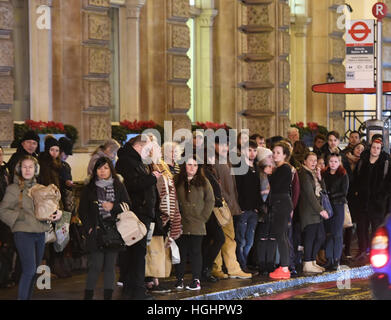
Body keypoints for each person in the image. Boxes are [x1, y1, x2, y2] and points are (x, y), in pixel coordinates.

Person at [0, 156, 62, 300]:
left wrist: (56, 214)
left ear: (36, 170)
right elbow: (3, 211)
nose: (27, 170)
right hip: (23, 233)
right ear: (19, 169)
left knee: (34, 272)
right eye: (24, 167)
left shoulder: (39, 188)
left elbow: (50, 208)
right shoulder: (13, 189)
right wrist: (20, 218)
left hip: (40, 233)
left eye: (30, 167)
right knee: (28, 271)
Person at [79, 157, 131, 300]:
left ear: (111, 170)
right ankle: (88, 296)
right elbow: (82, 211)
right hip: (96, 231)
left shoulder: (118, 185)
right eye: (100, 168)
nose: (102, 171)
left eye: (106, 168)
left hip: (113, 230)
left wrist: (113, 207)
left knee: (110, 266)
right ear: (95, 170)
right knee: (95, 265)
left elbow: (127, 205)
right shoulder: (89, 187)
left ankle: (108, 296)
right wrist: (89, 228)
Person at [115, 134, 161, 300]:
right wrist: (152, 178)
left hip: (142, 212)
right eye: (148, 148)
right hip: (136, 213)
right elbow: (131, 185)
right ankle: (137, 290)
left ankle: (133, 288)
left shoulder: (137, 161)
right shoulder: (128, 161)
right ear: (139, 147)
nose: (150, 152)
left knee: (135, 252)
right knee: (136, 252)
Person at [211, 136, 252, 280]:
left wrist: (234, 204)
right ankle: (227, 268)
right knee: (223, 238)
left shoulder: (226, 160)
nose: (224, 148)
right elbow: (216, 186)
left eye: (227, 145)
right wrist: (225, 201)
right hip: (220, 206)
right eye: (221, 145)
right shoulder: (213, 161)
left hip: (228, 205)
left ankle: (223, 268)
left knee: (226, 238)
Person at [174, 155, 215, 291]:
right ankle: (179, 279)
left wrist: (203, 217)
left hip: (198, 223)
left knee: (196, 252)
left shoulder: (204, 182)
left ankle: (196, 280)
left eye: (195, 165)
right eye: (190, 164)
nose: (192, 168)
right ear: (184, 165)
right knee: (181, 252)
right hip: (181, 222)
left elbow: (210, 200)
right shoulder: (177, 180)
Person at [351, 139, 391, 262]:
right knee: (361, 228)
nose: (375, 150)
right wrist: (357, 194)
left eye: (378, 148)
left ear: (381, 149)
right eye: (374, 147)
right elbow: (356, 179)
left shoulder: (385, 164)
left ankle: (375, 253)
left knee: (376, 230)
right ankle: (362, 250)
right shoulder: (362, 161)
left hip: (377, 204)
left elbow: (388, 183)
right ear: (370, 148)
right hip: (362, 202)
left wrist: (381, 197)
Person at [38, 136, 72, 279]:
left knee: (60, 236)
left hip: (59, 204)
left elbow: (62, 184)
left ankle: (58, 265)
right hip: (47, 205)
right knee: (47, 238)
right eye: (52, 150)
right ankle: (45, 272)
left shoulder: (60, 165)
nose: (54, 153)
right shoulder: (43, 164)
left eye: (57, 150)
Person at [298, 152, 328, 274]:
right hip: (309, 211)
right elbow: (310, 195)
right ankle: (307, 262)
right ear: (305, 161)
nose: (314, 163)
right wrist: (321, 211)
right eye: (311, 160)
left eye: (315, 160)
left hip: (316, 211)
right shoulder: (304, 174)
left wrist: (320, 178)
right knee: (310, 237)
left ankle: (312, 261)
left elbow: (324, 191)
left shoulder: (313, 174)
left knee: (320, 236)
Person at [268, 142, 294, 279]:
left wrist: (269, 175)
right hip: (281, 203)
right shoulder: (281, 168)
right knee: (281, 235)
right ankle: (284, 266)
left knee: (281, 235)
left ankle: (284, 268)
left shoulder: (284, 168)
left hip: (281, 203)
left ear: (285, 155)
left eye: (278, 152)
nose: (275, 154)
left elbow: (276, 185)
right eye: (274, 152)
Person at [234, 140, 260, 272]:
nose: (252, 153)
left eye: (254, 150)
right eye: (249, 150)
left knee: (249, 241)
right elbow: (237, 189)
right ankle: (241, 265)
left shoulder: (256, 167)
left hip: (253, 210)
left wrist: (257, 207)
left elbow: (257, 189)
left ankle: (244, 262)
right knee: (241, 240)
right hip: (243, 209)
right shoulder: (239, 166)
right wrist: (240, 207)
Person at [201, 147, 225, 283]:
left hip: (212, 210)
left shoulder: (210, 170)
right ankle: (205, 268)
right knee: (219, 238)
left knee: (208, 240)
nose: (213, 158)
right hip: (208, 211)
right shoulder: (204, 171)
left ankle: (205, 269)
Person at [322, 154, 349, 271]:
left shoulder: (343, 174)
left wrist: (330, 194)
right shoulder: (324, 174)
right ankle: (329, 259)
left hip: (338, 205)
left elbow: (344, 192)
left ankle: (336, 258)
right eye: (331, 161)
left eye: (335, 161)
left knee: (337, 233)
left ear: (339, 163)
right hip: (327, 206)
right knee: (328, 233)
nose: (333, 164)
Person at [343, 142, 365, 260]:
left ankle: (349, 249)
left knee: (352, 224)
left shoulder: (362, 163)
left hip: (355, 197)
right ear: (353, 149)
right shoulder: (345, 161)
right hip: (345, 195)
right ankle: (344, 249)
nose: (359, 150)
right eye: (357, 148)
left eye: (362, 149)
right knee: (345, 225)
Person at [255, 157, 275, 275]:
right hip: (263, 212)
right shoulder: (260, 178)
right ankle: (262, 264)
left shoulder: (272, 178)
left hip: (272, 211)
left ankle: (270, 263)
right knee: (262, 238)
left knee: (272, 238)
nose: (270, 168)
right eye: (268, 166)